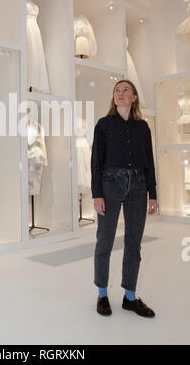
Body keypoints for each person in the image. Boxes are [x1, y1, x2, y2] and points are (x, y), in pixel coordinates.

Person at [91, 80, 157, 318]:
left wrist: (153, 193)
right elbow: (96, 162)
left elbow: (149, 161)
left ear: (134, 97)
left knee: (133, 243)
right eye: (116, 90)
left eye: (125, 90)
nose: (120, 94)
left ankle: (130, 297)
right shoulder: (104, 125)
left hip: (139, 186)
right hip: (110, 184)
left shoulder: (143, 127)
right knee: (105, 241)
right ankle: (102, 294)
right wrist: (97, 193)